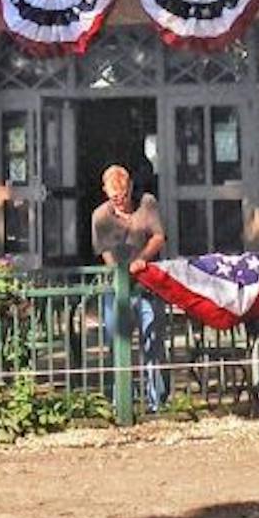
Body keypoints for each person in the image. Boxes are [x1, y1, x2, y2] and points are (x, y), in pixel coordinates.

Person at [92, 164, 168, 413]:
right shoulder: (100, 216)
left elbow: (158, 236)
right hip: (118, 289)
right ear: (105, 192)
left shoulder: (147, 204)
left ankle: (157, 401)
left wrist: (142, 259)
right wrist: (120, 273)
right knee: (118, 343)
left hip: (148, 285)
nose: (120, 201)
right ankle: (121, 401)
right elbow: (104, 251)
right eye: (114, 197)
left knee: (153, 342)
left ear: (130, 188)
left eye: (123, 195)